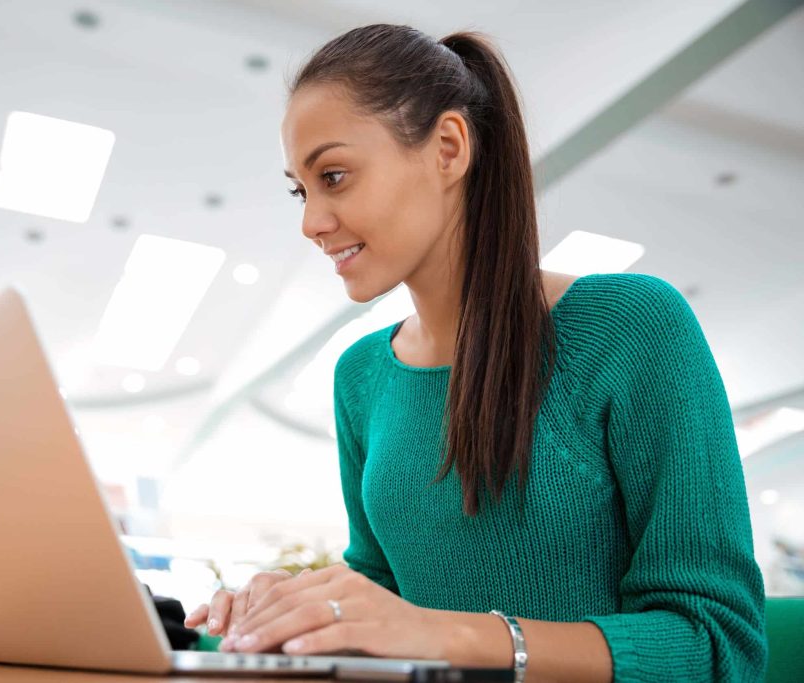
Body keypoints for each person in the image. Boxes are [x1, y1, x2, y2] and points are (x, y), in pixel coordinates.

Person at [183, 24, 767, 683]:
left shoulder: (632, 328)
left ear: (449, 149)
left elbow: (717, 646)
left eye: (335, 176)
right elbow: (384, 587)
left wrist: (451, 633)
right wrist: (295, 614)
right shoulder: (361, 376)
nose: (311, 220)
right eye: (301, 189)